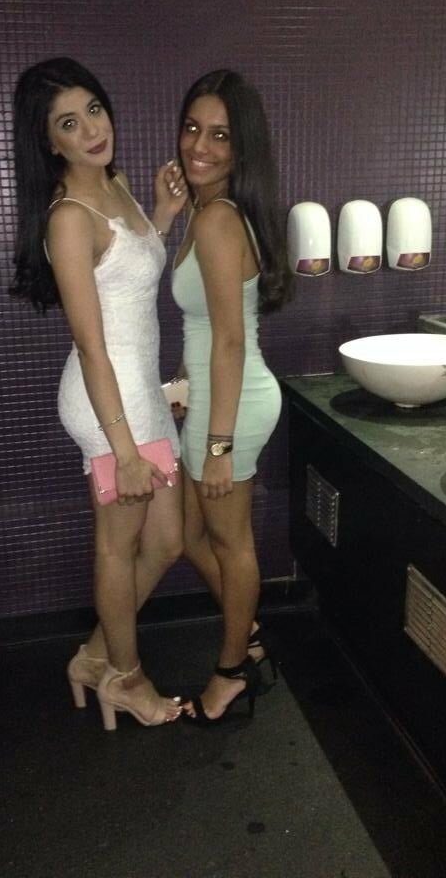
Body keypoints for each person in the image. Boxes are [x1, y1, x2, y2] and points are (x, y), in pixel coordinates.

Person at [10, 57, 187, 730]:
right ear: (48, 141)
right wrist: (124, 451)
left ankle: (92, 657)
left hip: (140, 392)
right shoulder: (68, 218)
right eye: (68, 123)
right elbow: (91, 346)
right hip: (107, 404)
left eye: (93, 109)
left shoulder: (115, 184)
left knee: (166, 541)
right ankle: (127, 679)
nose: (91, 129)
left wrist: (162, 217)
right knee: (118, 546)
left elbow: (128, 281)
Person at [171, 69, 293, 724]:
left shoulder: (219, 219)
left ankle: (230, 675)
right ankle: (249, 637)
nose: (201, 145)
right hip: (216, 399)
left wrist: (219, 444)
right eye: (193, 128)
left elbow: (229, 341)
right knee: (190, 535)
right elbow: (206, 331)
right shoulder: (204, 211)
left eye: (220, 135)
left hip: (233, 407)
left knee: (229, 543)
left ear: (241, 147)